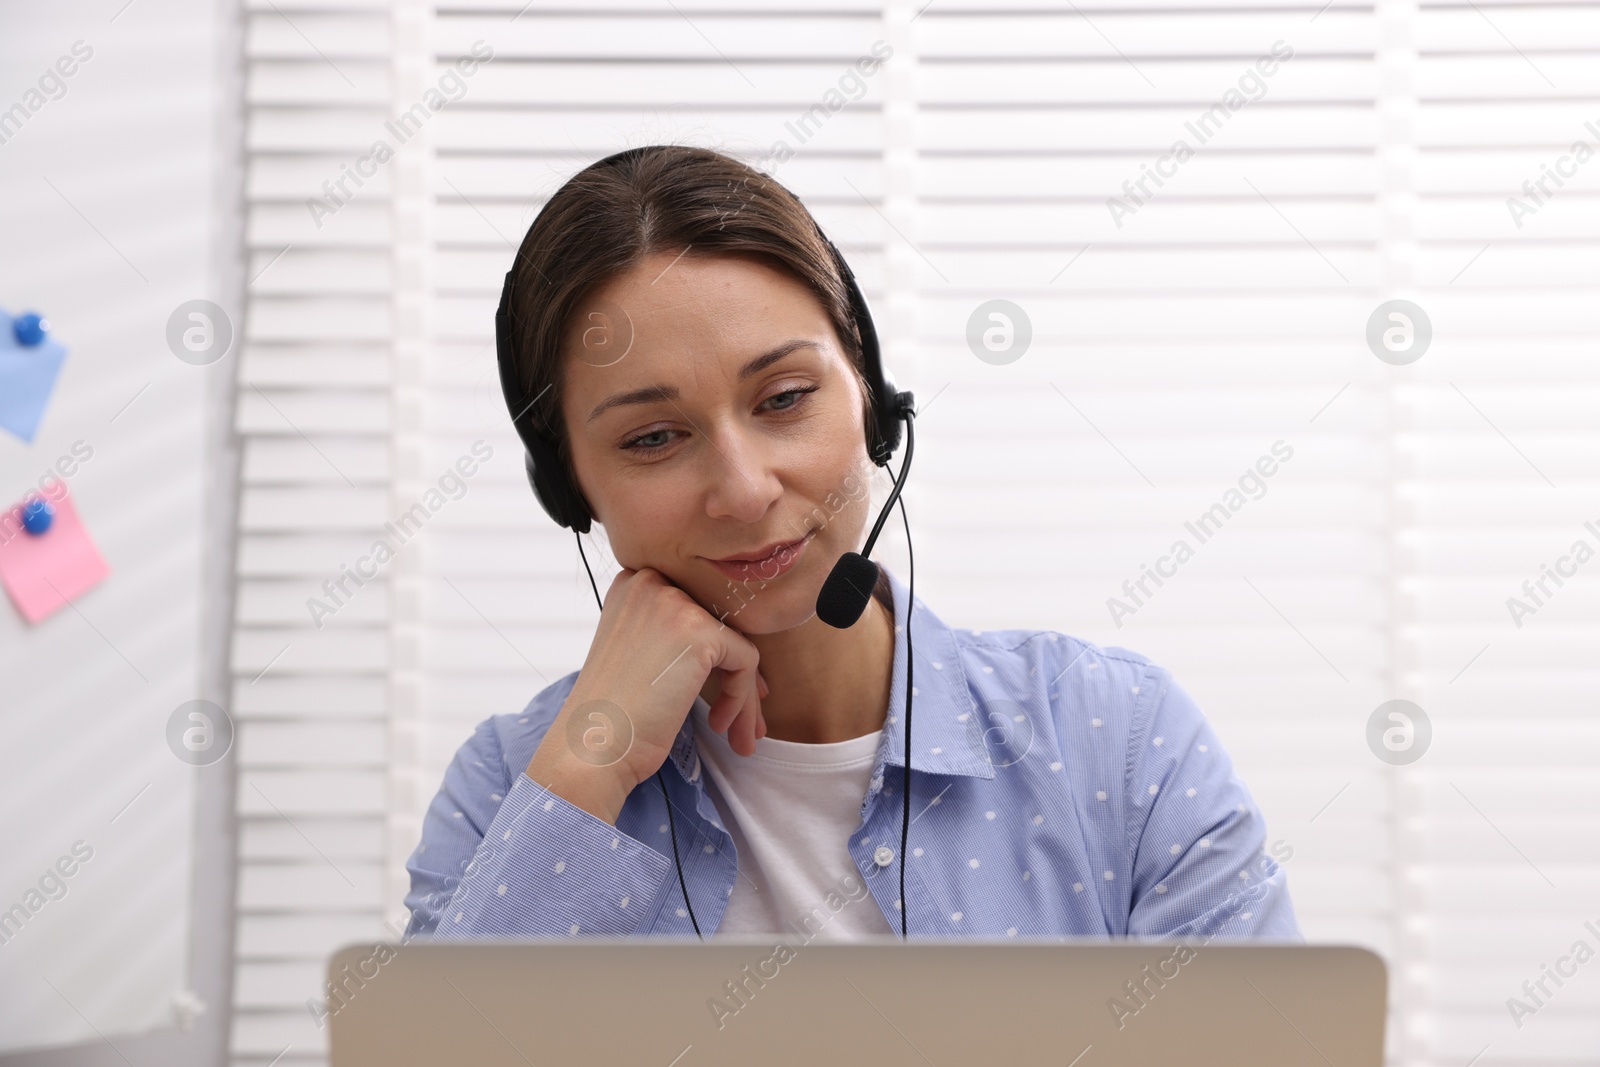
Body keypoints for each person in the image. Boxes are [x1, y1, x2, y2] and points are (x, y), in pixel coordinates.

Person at [402, 144, 1299, 943]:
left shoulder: (1119, 739)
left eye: (785, 397)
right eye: (652, 438)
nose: (746, 488)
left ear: (870, 395)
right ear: (571, 491)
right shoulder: (512, 786)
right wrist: (588, 766)